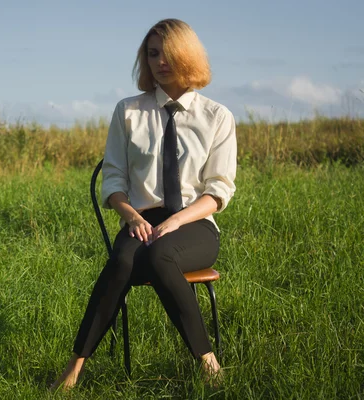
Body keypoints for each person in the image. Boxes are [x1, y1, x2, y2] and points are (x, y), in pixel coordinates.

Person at [51, 18, 237, 390]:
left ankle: (208, 363)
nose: (159, 62)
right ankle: (74, 368)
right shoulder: (128, 111)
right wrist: (132, 215)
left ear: (187, 55)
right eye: (152, 54)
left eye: (167, 53)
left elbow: (217, 192)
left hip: (195, 226)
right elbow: (114, 181)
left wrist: (178, 221)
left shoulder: (217, 117)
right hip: (141, 220)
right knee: (121, 259)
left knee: (160, 256)